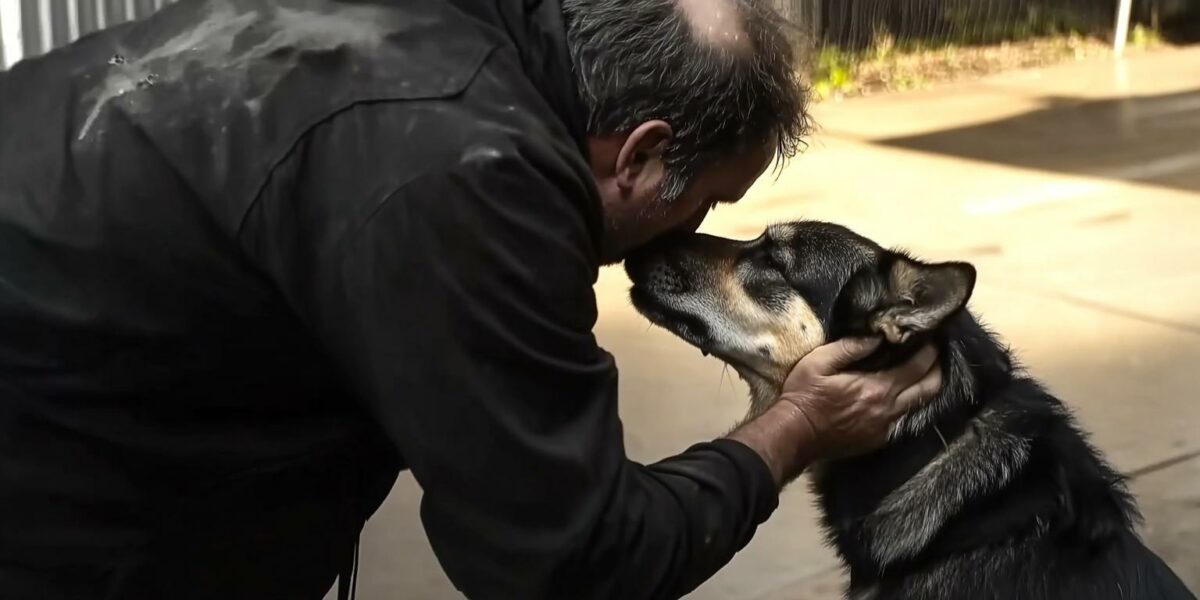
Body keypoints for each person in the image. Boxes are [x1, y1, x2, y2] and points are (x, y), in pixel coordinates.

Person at [0, 0, 941, 598]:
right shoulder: (474, 180)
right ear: (643, 152)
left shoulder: (484, 36)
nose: (695, 232)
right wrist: (798, 424)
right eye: (707, 201)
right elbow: (572, 561)